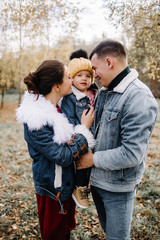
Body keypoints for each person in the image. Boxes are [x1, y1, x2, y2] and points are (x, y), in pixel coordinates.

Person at [76, 39, 158, 240]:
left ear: (110, 62)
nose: (94, 74)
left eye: (95, 68)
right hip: (98, 182)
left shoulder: (138, 97)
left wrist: (92, 160)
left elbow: (131, 154)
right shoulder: (105, 91)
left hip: (117, 189)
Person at [16, 60, 95, 240]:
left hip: (65, 186)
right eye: (68, 77)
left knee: (64, 233)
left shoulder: (60, 108)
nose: (72, 80)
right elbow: (63, 156)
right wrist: (83, 130)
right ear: (57, 86)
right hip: (53, 191)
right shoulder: (36, 120)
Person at [61, 57, 98, 209]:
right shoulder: (70, 98)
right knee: (83, 162)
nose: (84, 78)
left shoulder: (95, 93)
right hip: (80, 135)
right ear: (71, 78)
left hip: (95, 134)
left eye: (88, 76)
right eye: (79, 75)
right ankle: (80, 187)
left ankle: (88, 185)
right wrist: (81, 129)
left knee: (93, 162)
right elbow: (68, 119)